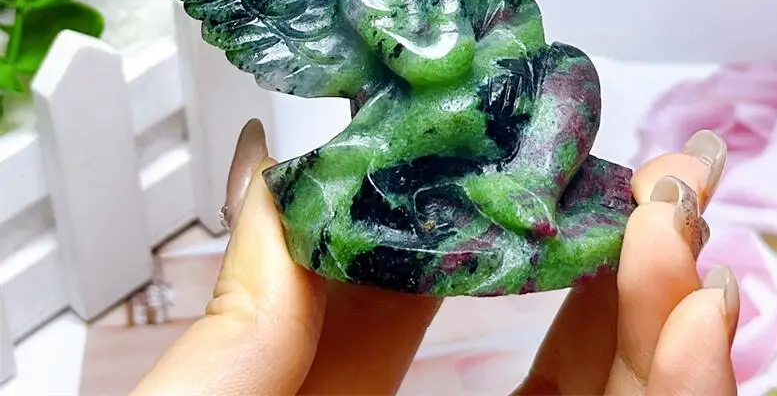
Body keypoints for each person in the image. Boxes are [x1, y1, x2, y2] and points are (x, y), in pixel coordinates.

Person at [131, 121, 737, 395]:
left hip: (494, 137)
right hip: (416, 141)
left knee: (568, 73)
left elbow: (512, 35)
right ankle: (499, 188)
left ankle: (522, 188)